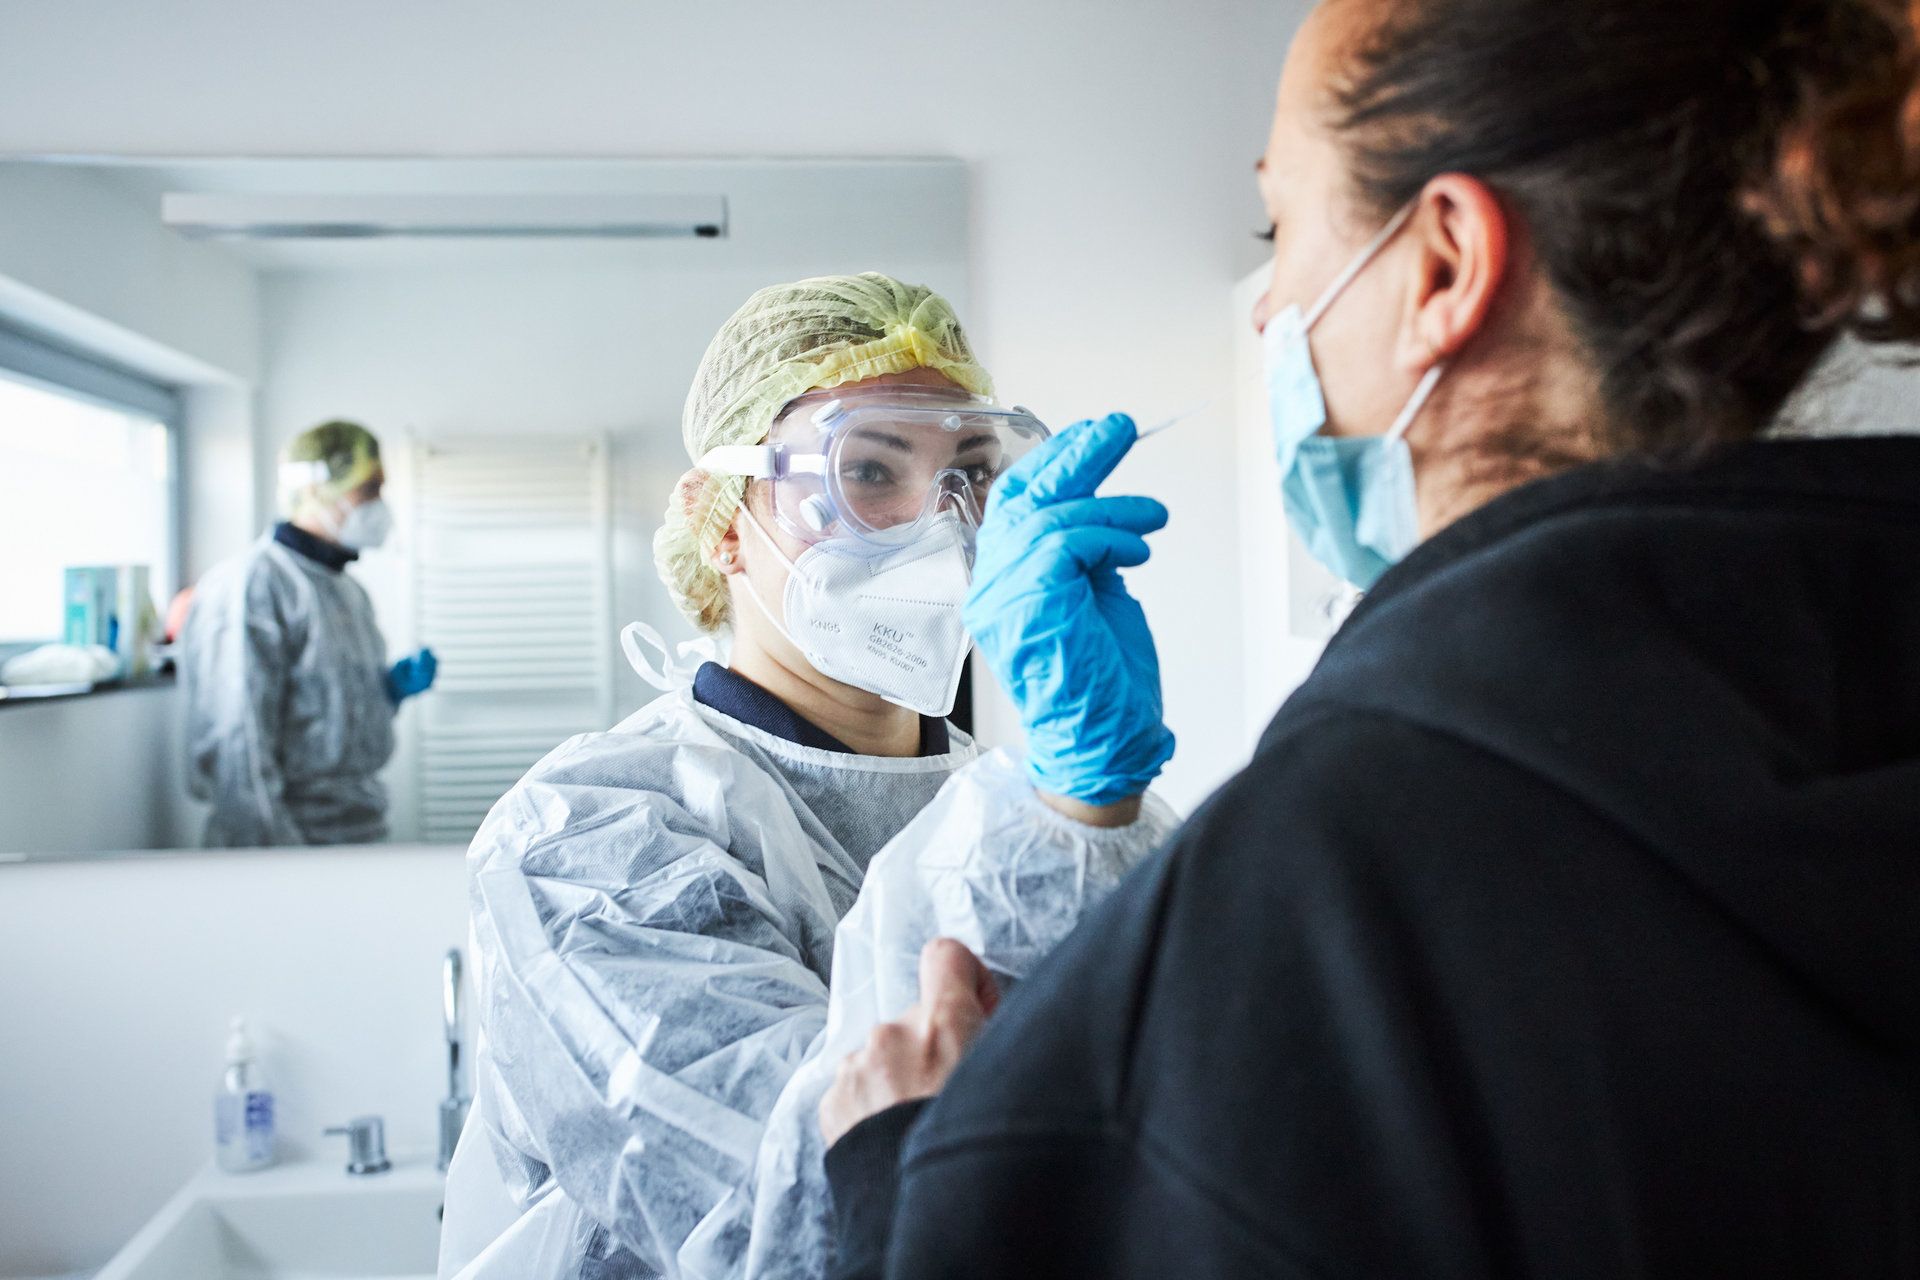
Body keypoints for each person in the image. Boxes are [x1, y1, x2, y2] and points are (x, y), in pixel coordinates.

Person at [818, 1, 1920, 1276]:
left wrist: (912, 1162)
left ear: (1444, 266)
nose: (1267, 310)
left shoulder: (1352, 861)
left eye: (1278, 228)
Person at [436, 273, 1178, 1280]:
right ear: (722, 523)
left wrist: (1089, 809)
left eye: (971, 473)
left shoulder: (1032, 810)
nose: (941, 524)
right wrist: (1072, 811)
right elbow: (797, 1204)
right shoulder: (587, 837)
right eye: (869, 470)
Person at [182, 419, 436, 847]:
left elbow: (324, 712)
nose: (379, 505)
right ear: (318, 489)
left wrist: (385, 693)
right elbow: (239, 748)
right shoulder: (254, 585)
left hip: (358, 827)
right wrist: (279, 862)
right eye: (368, 489)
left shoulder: (347, 590)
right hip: (282, 838)